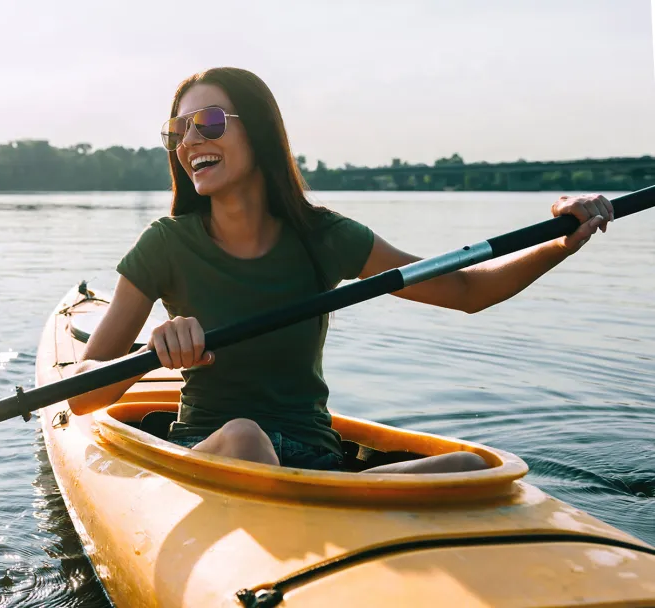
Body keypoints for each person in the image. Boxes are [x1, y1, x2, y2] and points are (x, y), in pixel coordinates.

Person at [66, 67, 614, 474]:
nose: (190, 142)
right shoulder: (165, 245)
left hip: (316, 461)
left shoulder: (324, 236)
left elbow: (466, 290)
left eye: (208, 122)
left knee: (475, 468)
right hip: (214, 456)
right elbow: (81, 394)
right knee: (244, 437)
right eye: (178, 130)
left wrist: (562, 242)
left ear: (258, 131)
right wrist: (152, 350)